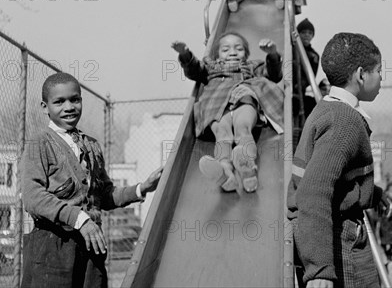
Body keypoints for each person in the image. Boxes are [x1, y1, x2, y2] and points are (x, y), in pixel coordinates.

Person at [20, 72, 163, 288]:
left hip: (91, 246)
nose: (68, 107)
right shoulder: (39, 144)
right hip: (53, 246)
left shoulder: (92, 146)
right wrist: (80, 219)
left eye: (74, 99)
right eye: (59, 101)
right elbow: (33, 197)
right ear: (44, 106)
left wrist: (142, 188)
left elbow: (104, 195)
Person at [288, 32, 385, 288]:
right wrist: (319, 269)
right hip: (339, 241)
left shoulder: (327, 109)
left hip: (331, 234)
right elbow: (314, 191)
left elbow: (335, 177)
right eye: (379, 70)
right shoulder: (345, 121)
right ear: (361, 74)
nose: (381, 77)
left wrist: (372, 193)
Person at [171, 32, 284, 193]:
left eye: (238, 49)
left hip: (243, 95)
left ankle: (248, 167)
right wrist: (185, 53)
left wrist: (273, 54)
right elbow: (194, 70)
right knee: (222, 134)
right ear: (217, 55)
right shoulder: (210, 66)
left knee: (243, 128)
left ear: (246, 53)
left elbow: (273, 75)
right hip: (216, 102)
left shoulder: (252, 66)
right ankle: (225, 173)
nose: (232, 52)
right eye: (225, 49)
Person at [292, 18, 320, 125]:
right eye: (303, 32)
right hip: (288, 89)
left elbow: (311, 77)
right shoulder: (292, 49)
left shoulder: (314, 56)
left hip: (300, 91)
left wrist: (301, 85)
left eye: (310, 33)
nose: (307, 35)